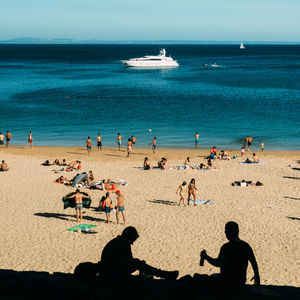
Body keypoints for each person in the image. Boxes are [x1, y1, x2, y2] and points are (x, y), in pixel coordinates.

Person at [98, 226, 179, 281]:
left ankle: (163, 274)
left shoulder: (119, 241)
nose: (133, 243)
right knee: (138, 263)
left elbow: (127, 260)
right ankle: (164, 274)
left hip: (110, 269)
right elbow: (129, 261)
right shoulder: (123, 244)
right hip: (111, 272)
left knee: (138, 263)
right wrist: (141, 265)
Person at [200, 221, 260, 287]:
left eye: (225, 231)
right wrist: (256, 275)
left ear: (228, 233)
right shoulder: (246, 246)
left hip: (226, 280)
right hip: (240, 281)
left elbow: (218, 263)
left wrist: (206, 257)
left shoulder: (226, 247)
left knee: (210, 277)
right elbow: (253, 262)